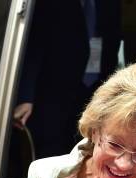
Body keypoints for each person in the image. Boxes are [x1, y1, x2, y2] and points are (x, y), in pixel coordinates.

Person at [13, 0, 121, 159]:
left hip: (94, 91)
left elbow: (112, 44)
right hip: (52, 90)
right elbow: (35, 46)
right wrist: (25, 96)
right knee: (48, 151)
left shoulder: (110, 4)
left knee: (82, 151)